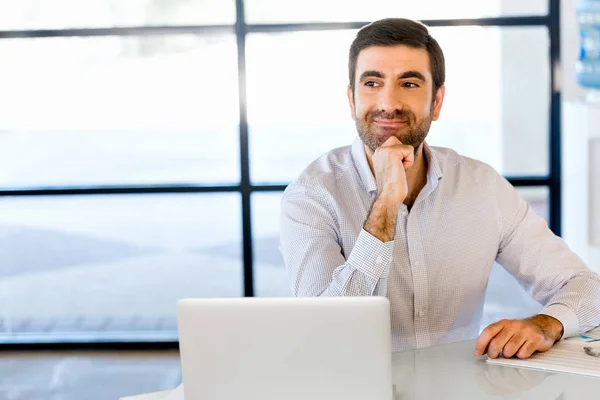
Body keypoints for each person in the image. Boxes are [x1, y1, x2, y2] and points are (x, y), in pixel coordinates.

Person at [279, 18, 600, 358]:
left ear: (437, 101)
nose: (388, 102)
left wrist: (545, 323)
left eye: (410, 84)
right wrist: (386, 203)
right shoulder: (311, 196)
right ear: (352, 99)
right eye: (372, 82)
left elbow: (587, 288)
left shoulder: (482, 187)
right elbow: (326, 333)